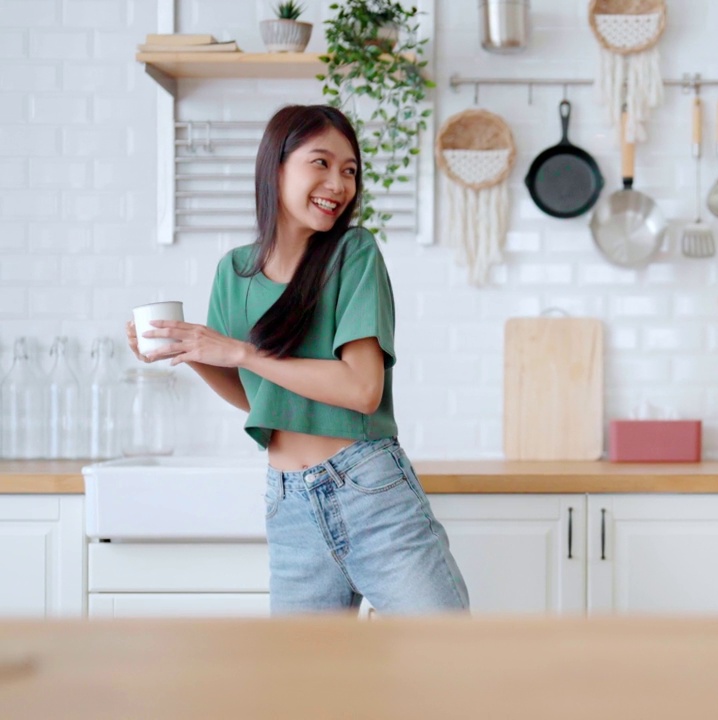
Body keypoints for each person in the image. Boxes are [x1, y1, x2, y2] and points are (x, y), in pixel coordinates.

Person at [126, 105, 469, 616]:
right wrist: (192, 352)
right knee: (303, 687)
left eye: (350, 170)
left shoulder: (353, 253)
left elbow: (361, 388)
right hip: (288, 503)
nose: (338, 183)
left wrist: (241, 351)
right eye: (321, 163)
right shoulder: (235, 272)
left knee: (449, 661)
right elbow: (259, 397)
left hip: (369, 487)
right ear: (277, 167)